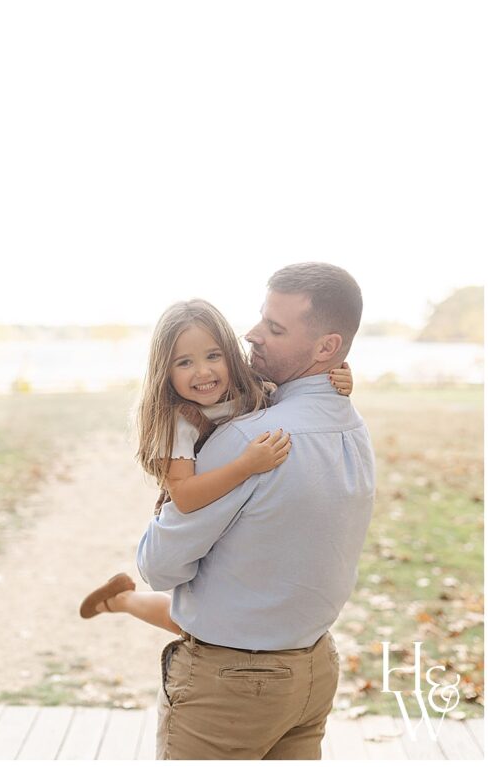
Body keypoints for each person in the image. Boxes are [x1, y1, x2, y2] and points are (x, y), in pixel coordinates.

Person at [137, 263, 374, 759]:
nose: (253, 334)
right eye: (260, 319)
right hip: (313, 669)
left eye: (275, 328)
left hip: (232, 689)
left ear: (327, 348)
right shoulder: (353, 428)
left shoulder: (253, 440)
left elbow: (158, 568)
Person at [78, 298, 352, 630]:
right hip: (198, 505)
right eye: (184, 362)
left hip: (237, 511)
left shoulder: (249, 386)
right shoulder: (178, 420)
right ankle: (123, 599)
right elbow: (185, 495)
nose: (203, 372)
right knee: (192, 623)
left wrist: (340, 377)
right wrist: (246, 465)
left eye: (213, 356)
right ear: (164, 371)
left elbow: (299, 376)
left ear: (229, 354)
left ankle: (122, 598)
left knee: (215, 612)